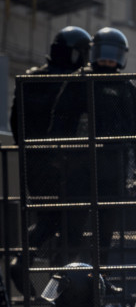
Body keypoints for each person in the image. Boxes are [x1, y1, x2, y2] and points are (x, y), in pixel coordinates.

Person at [48, 28, 136, 264]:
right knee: (72, 230)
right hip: (78, 168)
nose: (108, 59)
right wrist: (57, 157)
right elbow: (60, 121)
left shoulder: (126, 88)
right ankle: (62, 282)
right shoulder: (80, 82)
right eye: (104, 53)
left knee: (105, 234)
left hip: (113, 169)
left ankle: (99, 281)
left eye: (113, 54)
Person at [8, 27, 92, 281]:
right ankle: (59, 281)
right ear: (76, 53)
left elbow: (15, 121)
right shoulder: (74, 81)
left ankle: (26, 261)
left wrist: (29, 149)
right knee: (71, 222)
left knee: (50, 215)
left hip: (35, 160)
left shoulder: (32, 79)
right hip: (66, 161)